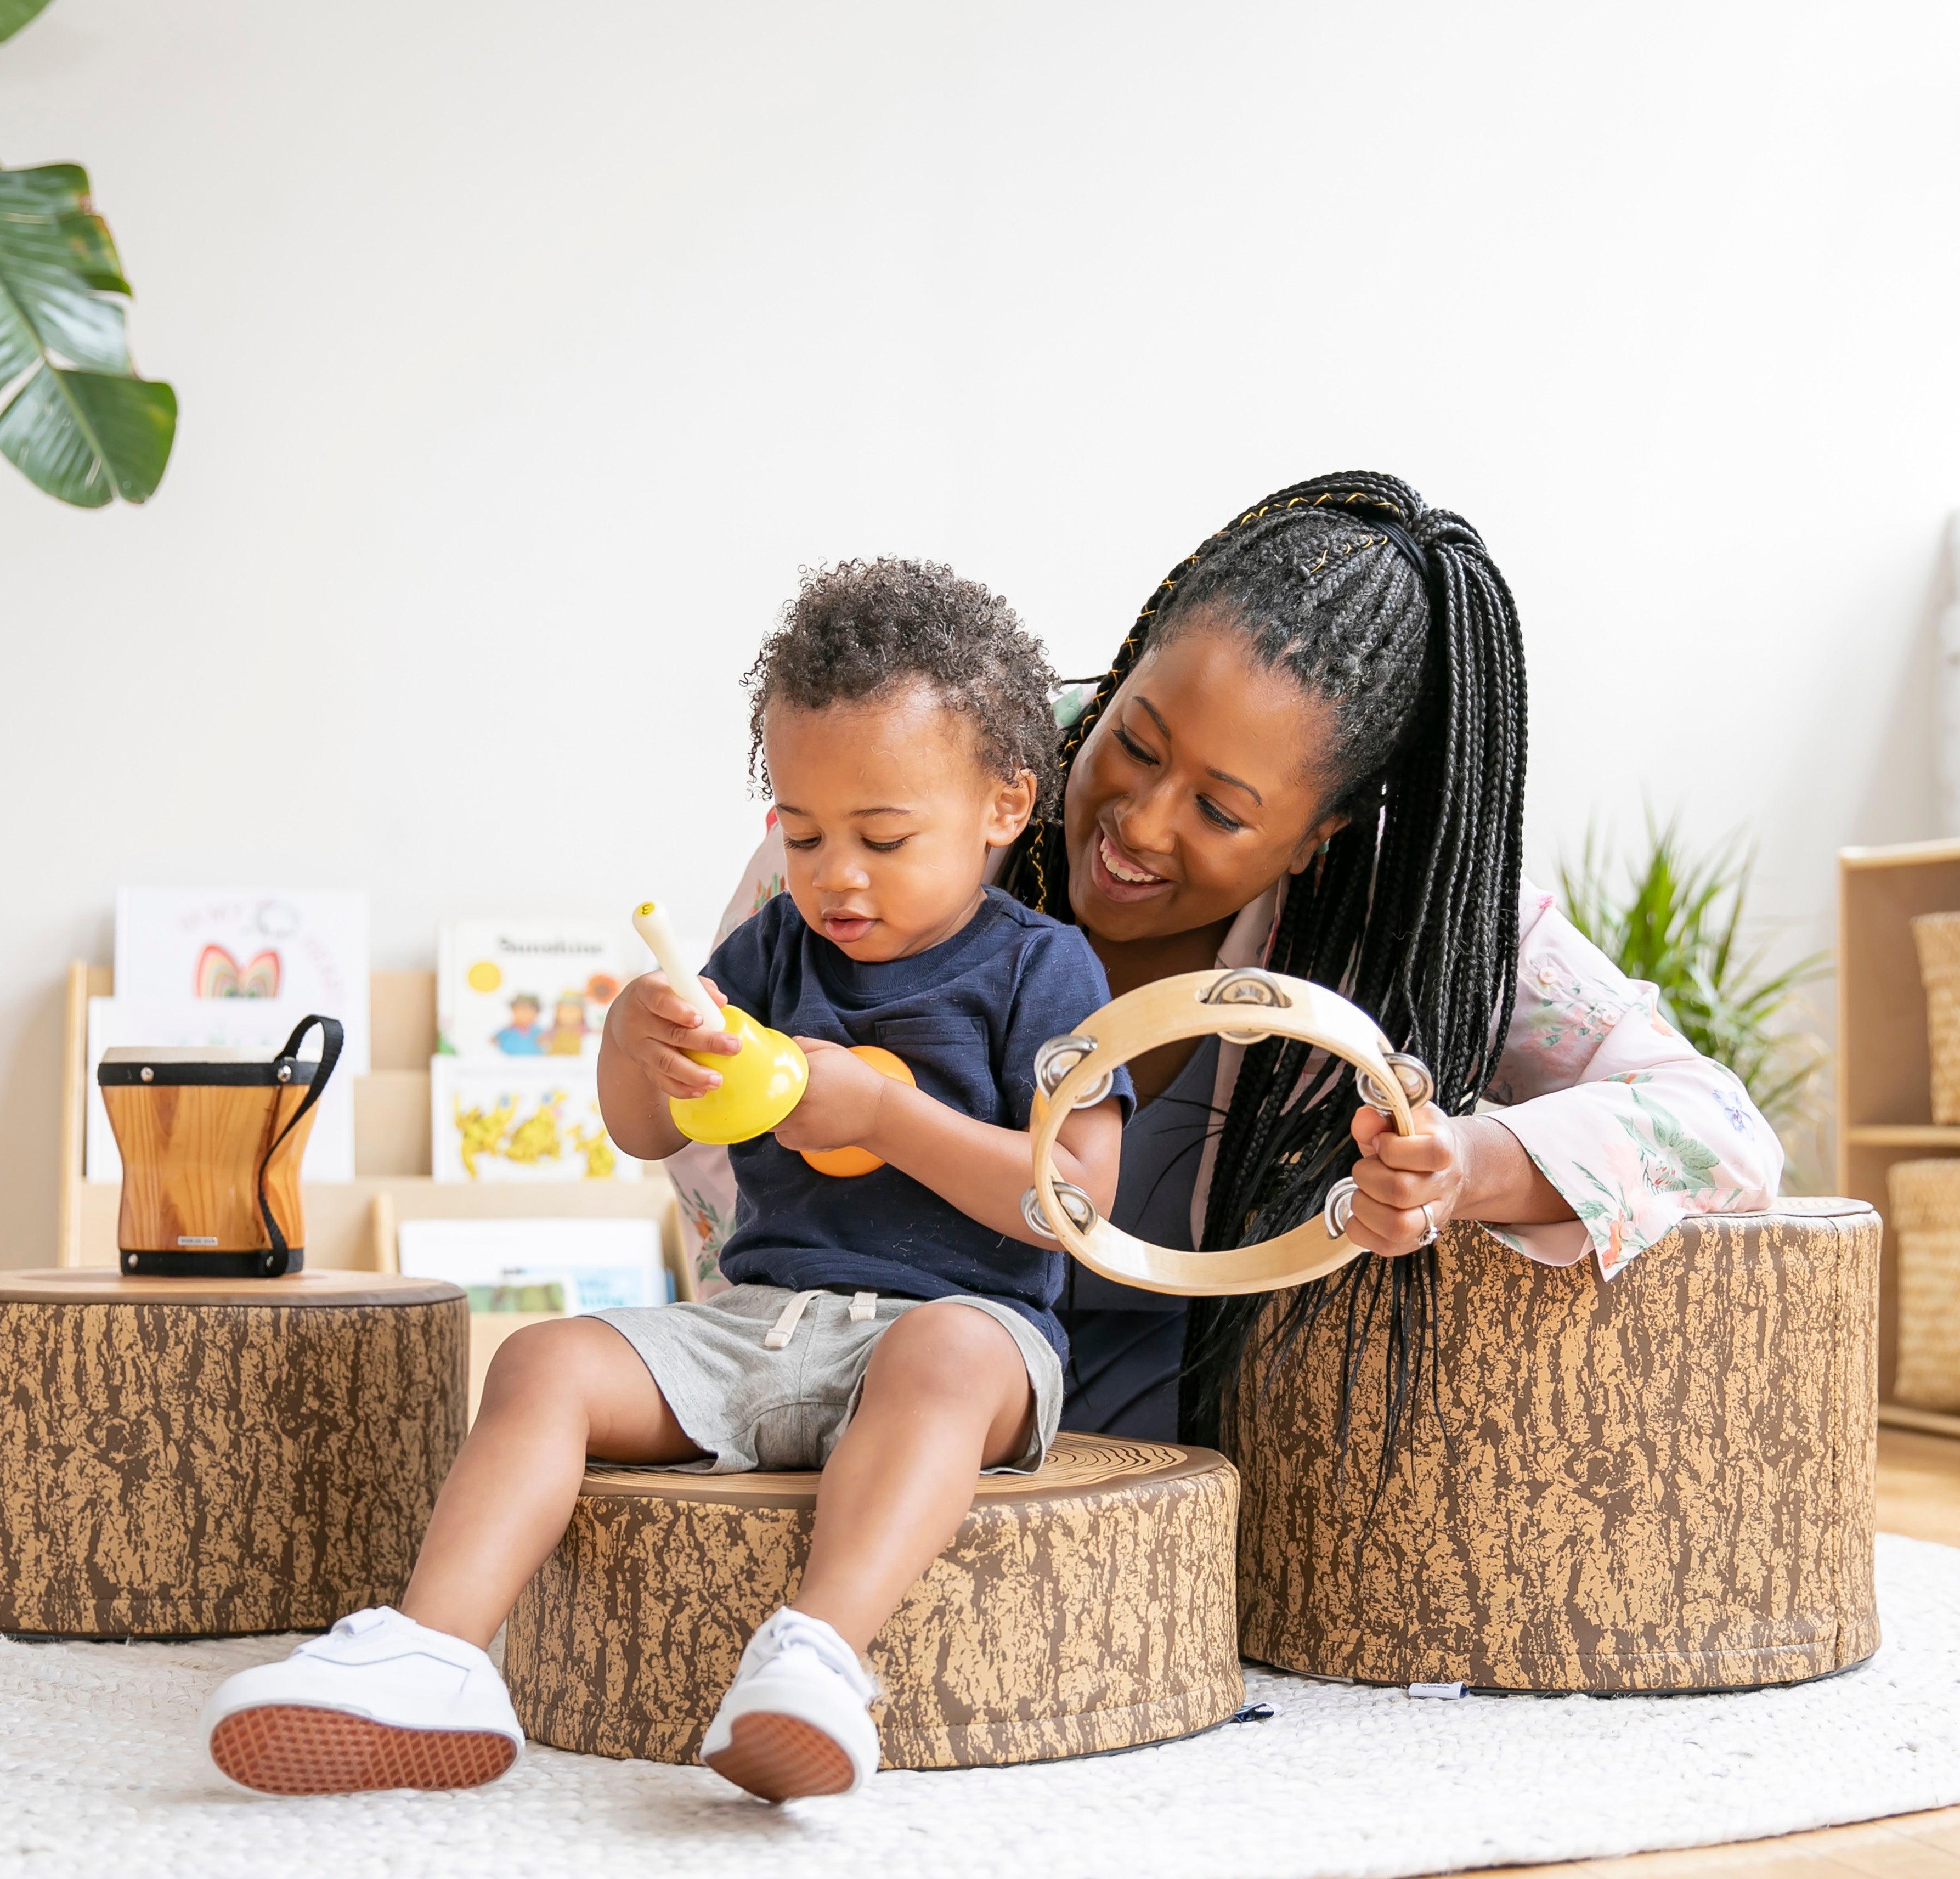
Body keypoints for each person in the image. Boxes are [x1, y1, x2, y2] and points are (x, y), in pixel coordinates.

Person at [198, 560, 1128, 1803]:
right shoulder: (769, 949)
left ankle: (815, 1655)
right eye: (800, 834)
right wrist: (629, 1041)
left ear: (1004, 804)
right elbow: (644, 1132)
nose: (834, 873)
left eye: (882, 837)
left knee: (946, 1361)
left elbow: (1072, 1199)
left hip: (960, 1335)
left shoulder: (1045, 969)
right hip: (756, 1323)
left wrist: (886, 1116)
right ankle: (434, 1652)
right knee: (542, 1361)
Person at [671, 473, 1786, 1443]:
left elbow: (1718, 1127)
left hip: (1203, 1410)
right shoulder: (912, 788)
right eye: (1131, 739)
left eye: (1217, 807)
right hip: (861, 1372)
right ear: (1120, 667)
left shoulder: (1401, 905)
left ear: (1320, 833)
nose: (1137, 825)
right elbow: (716, 1137)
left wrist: (1464, 1163)